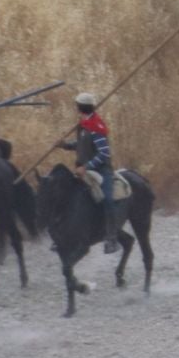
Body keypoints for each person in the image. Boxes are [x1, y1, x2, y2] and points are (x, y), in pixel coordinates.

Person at [58, 92, 120, 254]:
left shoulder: (96, 127)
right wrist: (65, 145)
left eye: (77, 106)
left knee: (107, 200)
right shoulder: (84, 125)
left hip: (101, 170)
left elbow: (104, 153)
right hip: (83, 170)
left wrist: (87, 166)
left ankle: (111, 238)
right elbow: (81, 144)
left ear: (80, 108)